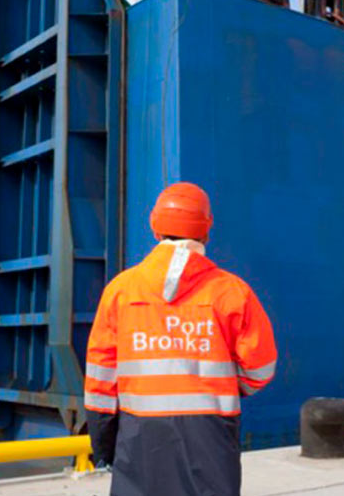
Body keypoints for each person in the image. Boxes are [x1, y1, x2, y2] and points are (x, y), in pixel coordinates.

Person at [84, 182, 278, 496]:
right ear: (206, 232)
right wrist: (227, 385)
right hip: (211, 434)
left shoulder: (120, 291)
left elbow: (100, 379)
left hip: (139, 436)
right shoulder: (232, 292)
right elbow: (262, 368)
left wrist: (104, 443)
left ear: (155, 229)